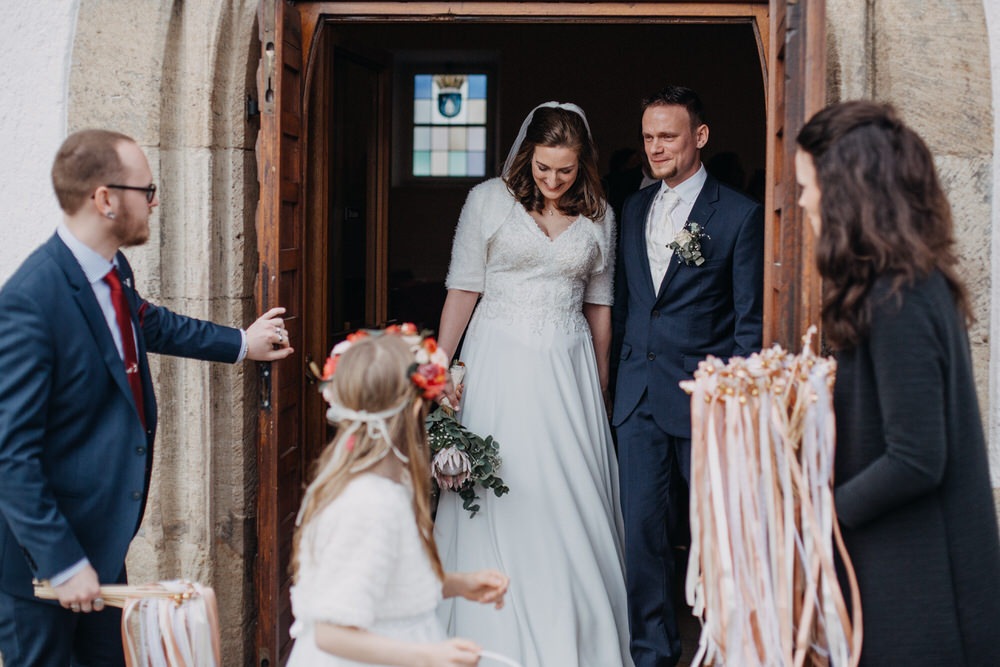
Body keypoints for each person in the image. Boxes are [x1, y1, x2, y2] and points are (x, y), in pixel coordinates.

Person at [0, 129, 294, 666]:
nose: (155, 201)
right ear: (105, 199)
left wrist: (240, 343)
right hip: (41, 568)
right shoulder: (30, 301)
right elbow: (10, 455)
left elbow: (148, 324)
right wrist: (62, 562)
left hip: (102, 544)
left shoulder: (114, 271)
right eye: (146, 190)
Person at [795, 100, 1000, 664]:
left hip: (924, 592)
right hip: (910, 575)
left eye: (810, 186)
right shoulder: (898, 284)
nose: (806, 201)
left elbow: (915, 458)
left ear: (847, 193)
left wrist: (819, 511)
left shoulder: (897, 298)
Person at [434, 102, 632, 666]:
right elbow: (461, 290)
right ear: (528, 155)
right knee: (500, 487)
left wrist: (598, 380)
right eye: (543, 168)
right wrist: (439, 368)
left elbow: (600, 306)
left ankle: (575, 626)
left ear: (581, 165)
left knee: (567, 491)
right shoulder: (487, 202)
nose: (551, 180)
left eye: (564, 171)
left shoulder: (599, 215)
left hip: (566, 370)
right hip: (496, 361)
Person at [611, 86, 764, 667]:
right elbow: (629, 305)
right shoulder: (632, 209)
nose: (655, 147)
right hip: (637, 400)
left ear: (699, 136)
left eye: (667, 136)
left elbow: (748, 324)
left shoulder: (740, 215)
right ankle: (653, 654)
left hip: (705, 402)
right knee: (642, 540)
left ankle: (727, 647)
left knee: (716, 537)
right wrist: (614, 392)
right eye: (648, 137)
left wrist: (734, 405)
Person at [288, 331, 509, 667]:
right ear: (415, 408)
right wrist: (431, 655)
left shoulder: (383, 483)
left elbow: (392, 582)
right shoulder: (371, 501)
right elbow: (330, 633)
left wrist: (461, 584)